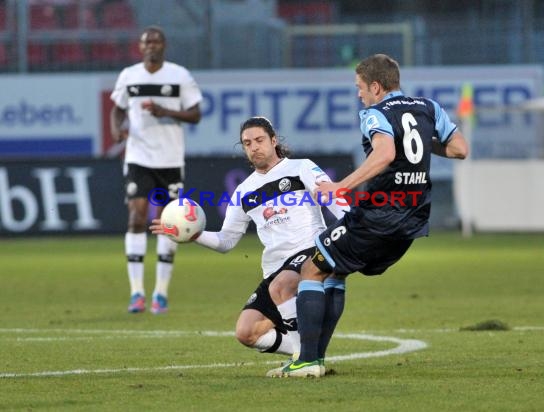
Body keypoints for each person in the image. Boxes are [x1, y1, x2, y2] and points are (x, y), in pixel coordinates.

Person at [268, 53, 469, 378]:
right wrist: (420, 144)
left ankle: (306, 361)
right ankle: (313, 360)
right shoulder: (429, 108)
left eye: (360, 87)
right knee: (334, 273)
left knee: (311, 269)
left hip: (378, 215)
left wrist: (340, 186)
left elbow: (386, 153)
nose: (359, 94)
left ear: (375, 86)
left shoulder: (374, 113)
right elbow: (460, 149)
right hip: (413, 220)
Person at [150, 116, 348, 361]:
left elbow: (333, 198)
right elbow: (226, 241)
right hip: (274, 266)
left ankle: (305, 358)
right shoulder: (243, 191)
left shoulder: (301, 168)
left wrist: (349, 227)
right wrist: (194, 234)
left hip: (310, 252)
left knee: (281, 286)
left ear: (274, 141)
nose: (254, 147)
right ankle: (306, 349)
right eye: (247, 143)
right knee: (247, 332)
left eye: (259, 140)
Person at [110, 25, 203, 314]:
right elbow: (117, 108)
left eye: (157, 41)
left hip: (170, 159)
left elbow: (196, 113)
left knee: (168, 222)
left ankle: (160, 293)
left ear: (164, 45)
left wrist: (166, 112)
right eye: (146, 41)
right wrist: (115, 129)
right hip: (138, 156)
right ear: (140, 47)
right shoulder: (129, 76)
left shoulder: (179, 75)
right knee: (137, 216)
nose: (151, 45)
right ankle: (136, 292)